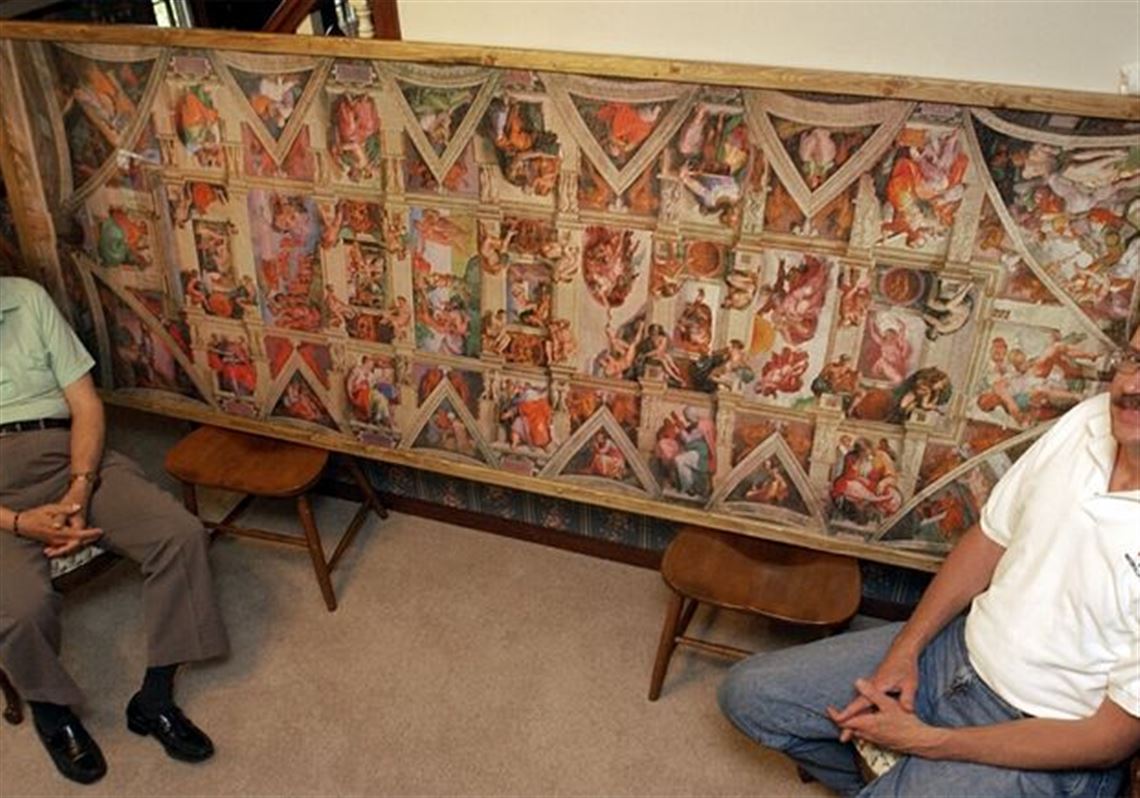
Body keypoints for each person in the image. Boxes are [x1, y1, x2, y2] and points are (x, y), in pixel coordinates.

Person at [718, 324, 1140, 797]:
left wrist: (931, 743)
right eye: (1134, 359)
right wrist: (906, 649)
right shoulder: (1085, 420)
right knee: (751, 696)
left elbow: (1111, 739)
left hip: (1043, 730)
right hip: (956, 656)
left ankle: (903, 775)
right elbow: (988, 540)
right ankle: (896, 777)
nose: (1131, 386)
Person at [0, 276, 229, 785]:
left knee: (180, 534)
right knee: (21, 607)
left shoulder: (26, 297)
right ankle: (52, 712)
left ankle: (155, 698)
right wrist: (18, 522)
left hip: (65, 453)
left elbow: (85, 404)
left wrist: (79, 491)